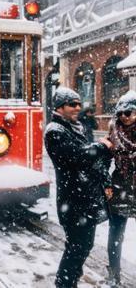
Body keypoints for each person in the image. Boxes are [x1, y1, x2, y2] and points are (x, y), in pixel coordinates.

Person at [44, 87, 113, 288]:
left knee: (84, 245)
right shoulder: (55, 131)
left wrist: (105, 179)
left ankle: (70, 280)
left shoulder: (76, 127)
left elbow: (90, 161)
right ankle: (64, 283)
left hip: (85, 198)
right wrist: (101, 146)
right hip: (72, 200)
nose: (77, 108)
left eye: (78, 104)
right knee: (77, 246)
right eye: (72, 104)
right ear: (60, 107)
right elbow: (77, 157)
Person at [105, 90, 136, 286]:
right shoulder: (113, 133)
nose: (125, 117)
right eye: (121, 113)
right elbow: (103, 163)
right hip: (120, 186)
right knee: (116, 233)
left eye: (130, 112)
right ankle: (114, 274)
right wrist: (107, 183)